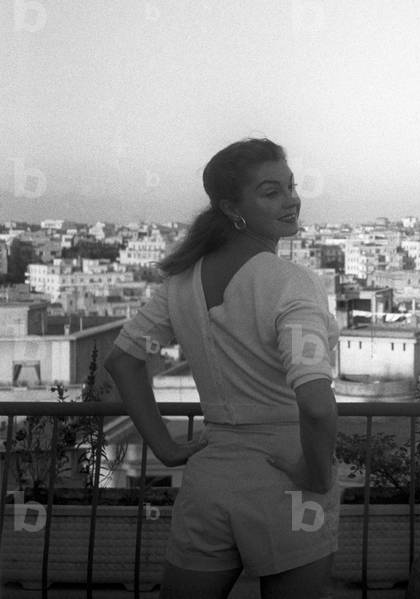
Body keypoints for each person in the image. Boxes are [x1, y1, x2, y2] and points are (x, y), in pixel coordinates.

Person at [104, 138, 340, 599]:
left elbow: (123, 360)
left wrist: (167, 449)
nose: (292, 200)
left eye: (290, 187)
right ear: (232, 207)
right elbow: (316, 404)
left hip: (209, 477)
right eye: (271, 192)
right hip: (288, 476)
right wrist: (316, 475)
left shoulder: (182, 281)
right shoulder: (291, 283)